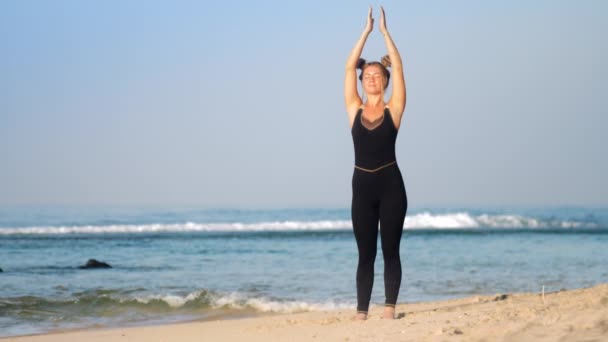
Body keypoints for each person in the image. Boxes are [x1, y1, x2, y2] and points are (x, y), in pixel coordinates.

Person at [344, 6, 407, 320]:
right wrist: (365, 32)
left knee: (390, 250)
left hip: (391, 187)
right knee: (364, 253)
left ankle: (390, 308)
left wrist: (384, 32)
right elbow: (346, 70)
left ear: (384, 80)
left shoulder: (393, 109)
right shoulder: (354, 108)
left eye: (376, 76)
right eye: (366, 76)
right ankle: (361, 311)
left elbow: (398, 64)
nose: (371, 79)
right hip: (362, 189)